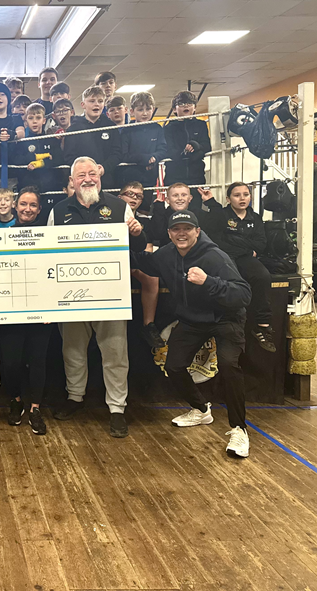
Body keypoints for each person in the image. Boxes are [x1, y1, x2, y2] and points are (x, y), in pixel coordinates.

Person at [132, 210, 252, 458]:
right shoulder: (165, 255)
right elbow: (139, 259)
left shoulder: (216, 257)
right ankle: (201, 409)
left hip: (225, 318)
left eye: (187, 228)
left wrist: (209, 281)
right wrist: (130, 236)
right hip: (192, 320)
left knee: (229, 366)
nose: (182, 233)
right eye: (176, 229)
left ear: (197, 231)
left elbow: (243, 294)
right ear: (169, 234)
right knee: (173, 366)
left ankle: (239, 428)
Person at [46, 157, 145, 437]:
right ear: (72, 181)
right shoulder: (59, 210)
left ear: (100, 176)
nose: (87, 179)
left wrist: (138, 232)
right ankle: (74, 398)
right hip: (72, 295)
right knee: (73, 350)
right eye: (81, 175)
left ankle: (117, 409)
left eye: (92, 174)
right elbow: (49, 253)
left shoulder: (118, 206)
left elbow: (136, 245)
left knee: (115, 353)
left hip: (111, 295)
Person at [198, 183, 276, 352]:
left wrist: (236, 241)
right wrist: (246, 246)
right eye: (237, 195)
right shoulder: (221, 216)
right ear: (228, 199)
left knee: (263, 276)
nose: (242, 198)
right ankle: (227, 322)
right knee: (231, 282)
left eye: (246, 194)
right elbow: (219, 242)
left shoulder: (255, 217)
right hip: (226, 258)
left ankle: (262, 326)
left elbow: (261, 243)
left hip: (246, 258)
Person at [0, 187, 51, 435]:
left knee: (38, 361)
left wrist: (51, 308)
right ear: (15, 207)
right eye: (23, 204)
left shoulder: (48, 236)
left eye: (33, 205)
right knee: (11, 362)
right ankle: (16, 400)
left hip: (41, 312)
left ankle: (35, 408)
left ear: (39, 209)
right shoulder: (3, 237)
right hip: (11, 312)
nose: (27, 209)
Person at [118, 181, 164, 348]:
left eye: (138, 196)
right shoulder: (110, 213)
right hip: (112, 258)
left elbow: (148, 247)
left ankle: (148, 325)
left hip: (135, 257)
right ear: (119, 197)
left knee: (152, 275)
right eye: (130, 194)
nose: (134, 199)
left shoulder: (145, 218)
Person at [64, 86, 121, 188]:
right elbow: (69, 157)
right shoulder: (73, 129)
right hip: (83, 182)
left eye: (100, 101)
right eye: (92, 101)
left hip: (107, 182)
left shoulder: (111, 127)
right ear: (83, 104)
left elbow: (117, 153)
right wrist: (86, 171)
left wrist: (104, 168)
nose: (96, 104)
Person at [117, 91, 167, 192]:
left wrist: (154, 157)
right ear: (132, 111)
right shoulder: (127, 130)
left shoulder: (157, 128)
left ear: (153, 109)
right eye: (140, 110)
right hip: (130, 178)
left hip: (149, 178)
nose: (145, 113)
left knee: (146, 206)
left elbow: (163, 149)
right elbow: (123, 154)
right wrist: (144, 159)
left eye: (148, 109)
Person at [14, 103, 60, 209]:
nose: (34, 121)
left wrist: (41, 163)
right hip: (27, 185)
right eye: (31, 118)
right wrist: (35, 157)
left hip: (48, 186)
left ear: (44, 120)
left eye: (38, 118)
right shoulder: (22, 142)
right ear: (26, 121)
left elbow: (58, 159)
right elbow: (16, 160)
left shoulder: (51, 139)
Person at [164, 90, 210, 190]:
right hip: (174, 176)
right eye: (181, 104)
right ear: (174, 109)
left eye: (190, 103)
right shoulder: (168, 128)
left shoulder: (201, 125)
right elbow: (168, 150)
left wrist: (196, 147)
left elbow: (207, 145)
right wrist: (184, 153)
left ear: (194, 107)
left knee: (195, 204)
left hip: (196, 175)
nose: (186, 106)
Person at [149, 182, 194, 249]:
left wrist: (210, 202)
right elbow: (157, 235)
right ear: (167, 200)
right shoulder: (162, 214)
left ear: (190, 198)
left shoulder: (197, 214)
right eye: (175, 195)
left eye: (184, 195)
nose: (180, 198)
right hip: (168, 254)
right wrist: (158, 208)